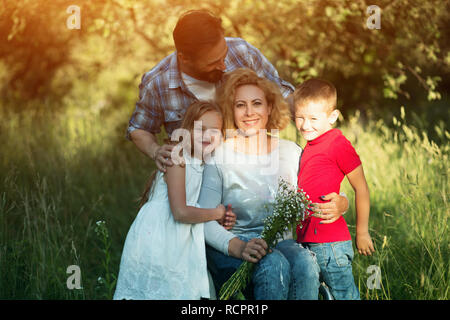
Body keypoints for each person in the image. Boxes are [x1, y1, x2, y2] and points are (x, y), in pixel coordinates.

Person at [197, 68, 349, 300]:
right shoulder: (218, 156)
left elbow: (324, 189)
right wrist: (239, 246)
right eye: (240, 105)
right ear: (231, 110)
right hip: (235, 246)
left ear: (269, 108)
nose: (249, 113)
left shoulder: (291, 152)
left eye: (257, 103)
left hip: (283, 242)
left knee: (306, 263)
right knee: (273, 264)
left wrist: (342, 202)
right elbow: (204, 220)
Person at [126, 9, 294, 173]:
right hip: (195, 173)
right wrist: (155, 151)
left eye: (224, 55)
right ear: (184, 58)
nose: (224, 66)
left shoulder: (242, 52)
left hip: (247, 165)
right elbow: (139, 128)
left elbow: (283, 94)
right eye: (213, 63)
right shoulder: (157, 82)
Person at [114, 101, 232, 300]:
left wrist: (223, 217)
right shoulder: (178, 156)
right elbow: (180, 212)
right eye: (201, 129)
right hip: (160, 237)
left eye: (214, 131)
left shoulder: (206, 165)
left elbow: (196, 206)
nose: (207, 136)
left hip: (182, 238)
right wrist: (216, 213)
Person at [293, 78, 375, 300]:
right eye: (300, 117)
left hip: (330, 244)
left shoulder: (337, 143)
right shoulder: (309, 146)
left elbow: (362, 188)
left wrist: (362, 232)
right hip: (308, 240)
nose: (305, 125)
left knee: (344, 296)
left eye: (313, 118)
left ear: (332, 117)